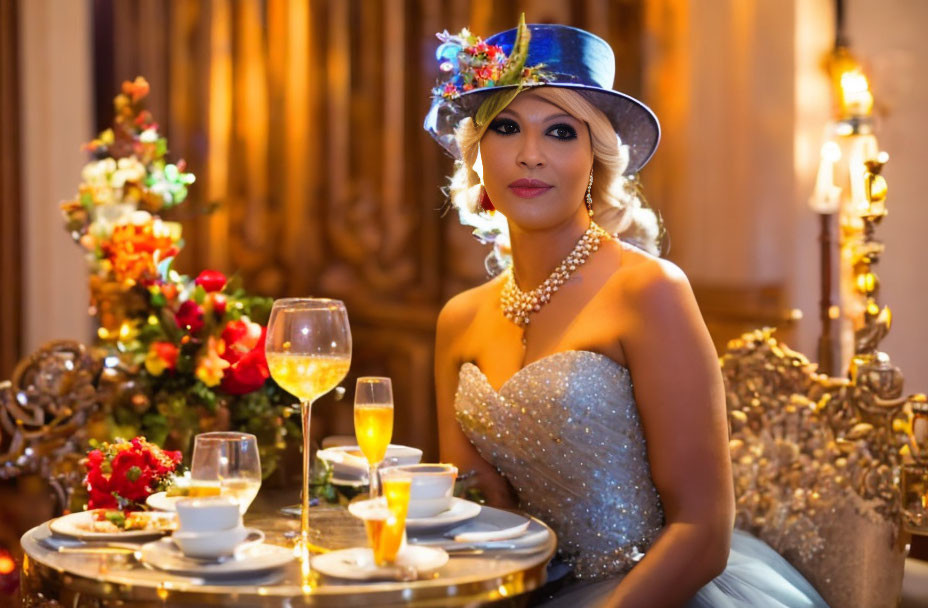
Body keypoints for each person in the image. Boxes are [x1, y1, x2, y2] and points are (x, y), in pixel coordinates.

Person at [426, 16, 829, 607]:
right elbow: (479, 514)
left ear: (597, 159)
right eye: (507, 127)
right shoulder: (457, 319)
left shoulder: (650, 290)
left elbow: (702, 532)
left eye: (562, 132)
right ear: (478, 156)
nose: (531, 154)